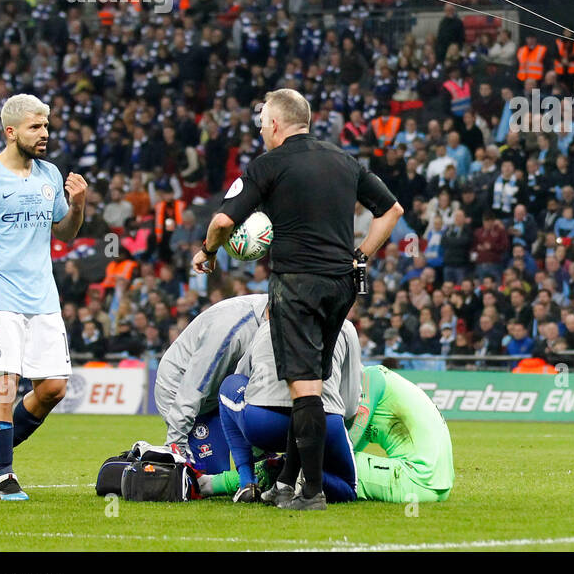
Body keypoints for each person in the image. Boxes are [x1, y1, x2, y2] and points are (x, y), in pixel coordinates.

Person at [192, 89, 403, 511]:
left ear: (274, 124)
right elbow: (392, 211)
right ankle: (286, 482)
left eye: (263, 123)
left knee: (303, 388)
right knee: (309, 384)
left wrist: (208, 251)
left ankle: (312, 492)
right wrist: (361, 256)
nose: (262, 131)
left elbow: (221, 221)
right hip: (341, 285)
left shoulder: (268, 166)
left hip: (297, 286)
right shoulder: (344, 161)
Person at [0, 94, 87, 501]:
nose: (44, 133)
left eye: (46, 125)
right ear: (11, 132)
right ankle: (4, 476)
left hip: (42, 296)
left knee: (53, 389)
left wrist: (78, 205)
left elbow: (64, 233)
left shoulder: (50, 175)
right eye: (35, 126)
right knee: (3, 387)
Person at [199, 316, 362, 503]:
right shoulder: (345, 327)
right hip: (325, 421)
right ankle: (303, 474)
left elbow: (242, 376)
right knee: (349, 488)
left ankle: (247, 482)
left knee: (229, 384)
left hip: (266, 423)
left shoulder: (268, 326)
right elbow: (350, 403)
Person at [154, 292, 267, 473]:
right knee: (206, 474)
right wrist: (177, 448)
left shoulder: (269, 317)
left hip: (219, 394)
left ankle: (263, 458)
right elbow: (193, 388)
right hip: (178, 389)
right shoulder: (230, 331)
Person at [346, 363, 454, 503]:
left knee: (331, 467)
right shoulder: (381, 382)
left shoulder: (370, 377)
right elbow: (355, 443)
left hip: (414, 480)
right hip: (439, 486)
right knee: (344, 461)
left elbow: (361, 419)